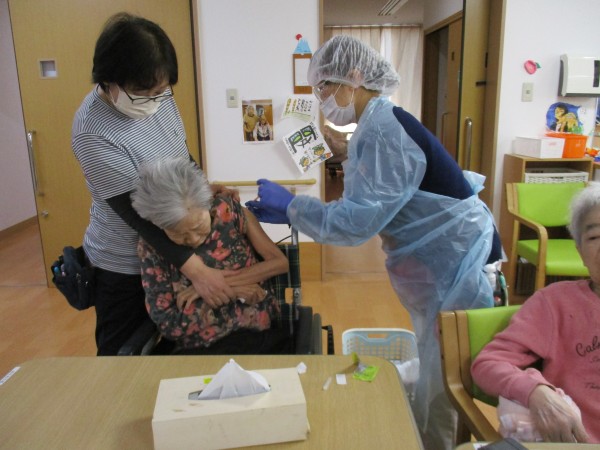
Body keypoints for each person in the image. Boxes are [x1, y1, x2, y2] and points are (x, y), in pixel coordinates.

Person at [245, 35, 502, 450]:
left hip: (461, 261)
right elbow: (380, 183)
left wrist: (293, 207)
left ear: (354, 76)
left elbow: (355, 223)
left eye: (324, 87)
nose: (322, 98)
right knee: (436, 358)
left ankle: (436, 445)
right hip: (446, 257)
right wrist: (341, 149)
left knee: (446, 380)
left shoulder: (383, 130)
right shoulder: (376, 122)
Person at [71, 12, 235, 356]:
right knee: (125, 355)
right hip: (125, 264)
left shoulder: (158, 98)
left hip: (173, 251)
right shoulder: (92, 131)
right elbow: (138, 216)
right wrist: (198, 270)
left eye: (161, 91)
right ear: (109, 81)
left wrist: (202, 192)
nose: (154, 101)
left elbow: (181, 156)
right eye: (143, 93)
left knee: (176, 349)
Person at [471, 182, 600, 444]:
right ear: (580, 252)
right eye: (595, 237)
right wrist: (536, 391)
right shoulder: (556, 303)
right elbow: (488, 364)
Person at [131, 158, 291, 354]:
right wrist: (235, 291)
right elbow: (168, 324)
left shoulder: (229, 211)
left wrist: (209, 287)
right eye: (178, 234)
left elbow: (279, 263)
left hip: (255, 336)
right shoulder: (153, 245)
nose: (192, 239)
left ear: (209, 203)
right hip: (197, 349)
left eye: (199, 226)